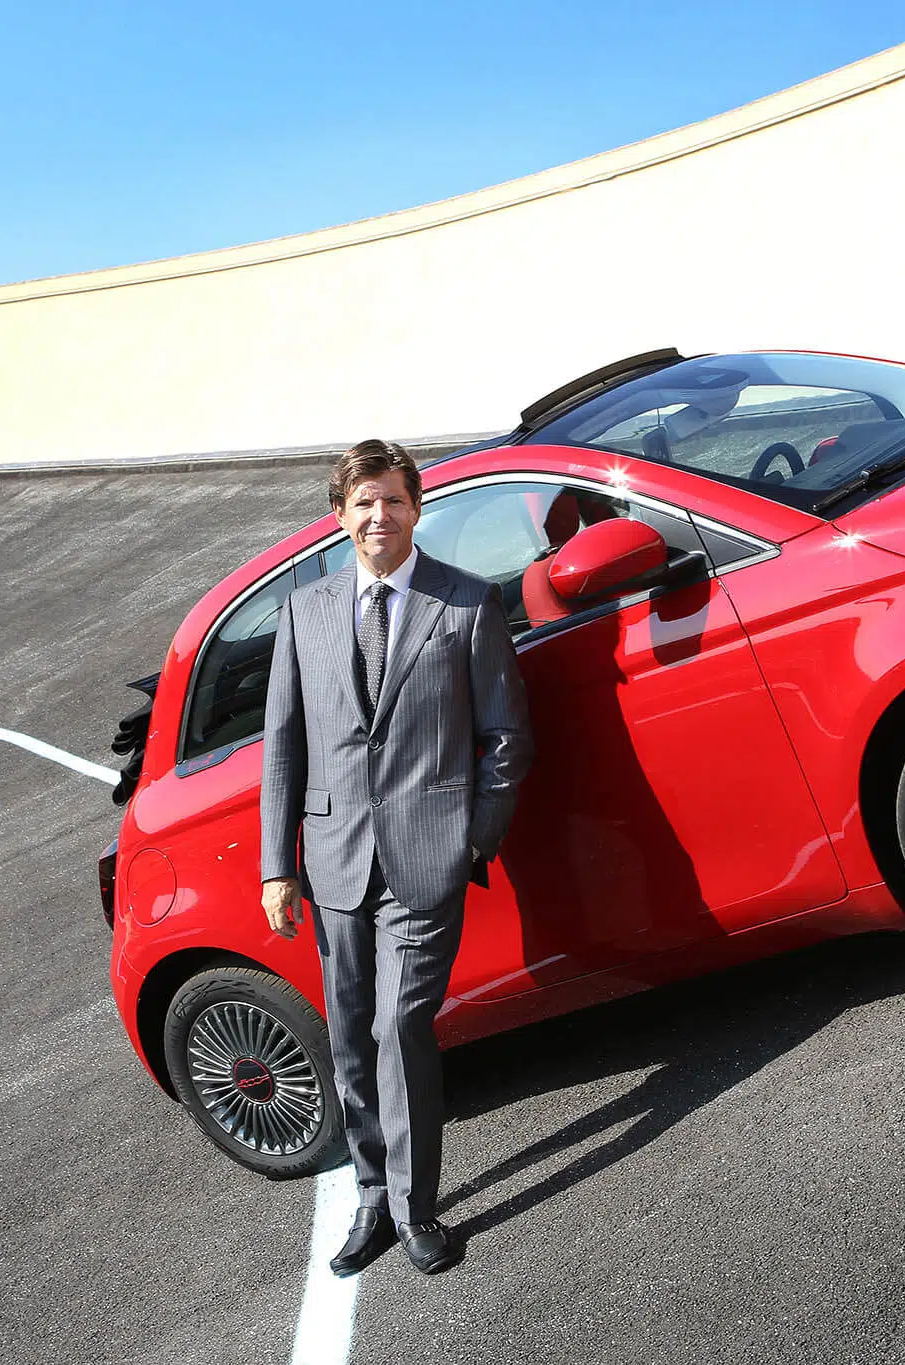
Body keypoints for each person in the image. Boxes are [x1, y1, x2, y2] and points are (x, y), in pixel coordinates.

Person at [258, 438, 533, 1276]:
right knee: (347, 1037)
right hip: (335, 857)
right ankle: (371, 1199)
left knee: (397, 1024)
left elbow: (506, 739)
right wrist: (277, 864)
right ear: (341, 516)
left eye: (394, 501)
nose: (381, 516)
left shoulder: (466, 604)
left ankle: (416, 1210)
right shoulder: (305, 612)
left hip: (427, 857)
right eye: (364, 503)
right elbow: (282, 745)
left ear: (417, 509)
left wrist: (471, 838)